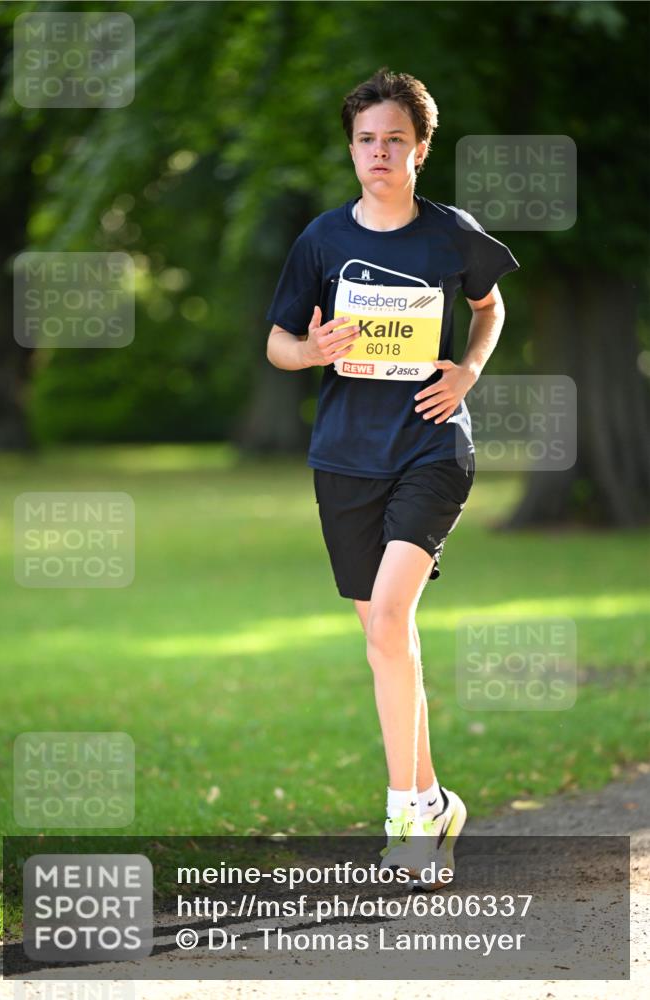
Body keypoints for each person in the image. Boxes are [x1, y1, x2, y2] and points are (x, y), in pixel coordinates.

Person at [265, 67, 519, 888]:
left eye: (395, 141)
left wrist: (468, 374)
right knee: (383, 633)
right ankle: (435, 802)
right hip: (343, 456)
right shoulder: (321, 241)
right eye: (366, 140)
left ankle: (406, 821)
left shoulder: (451, 235)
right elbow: (277, 345)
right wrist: (314, 351)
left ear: (420, 150)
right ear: (351, 150)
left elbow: (488, 308)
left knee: (387, 623)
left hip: (430, 449)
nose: (379, 153)